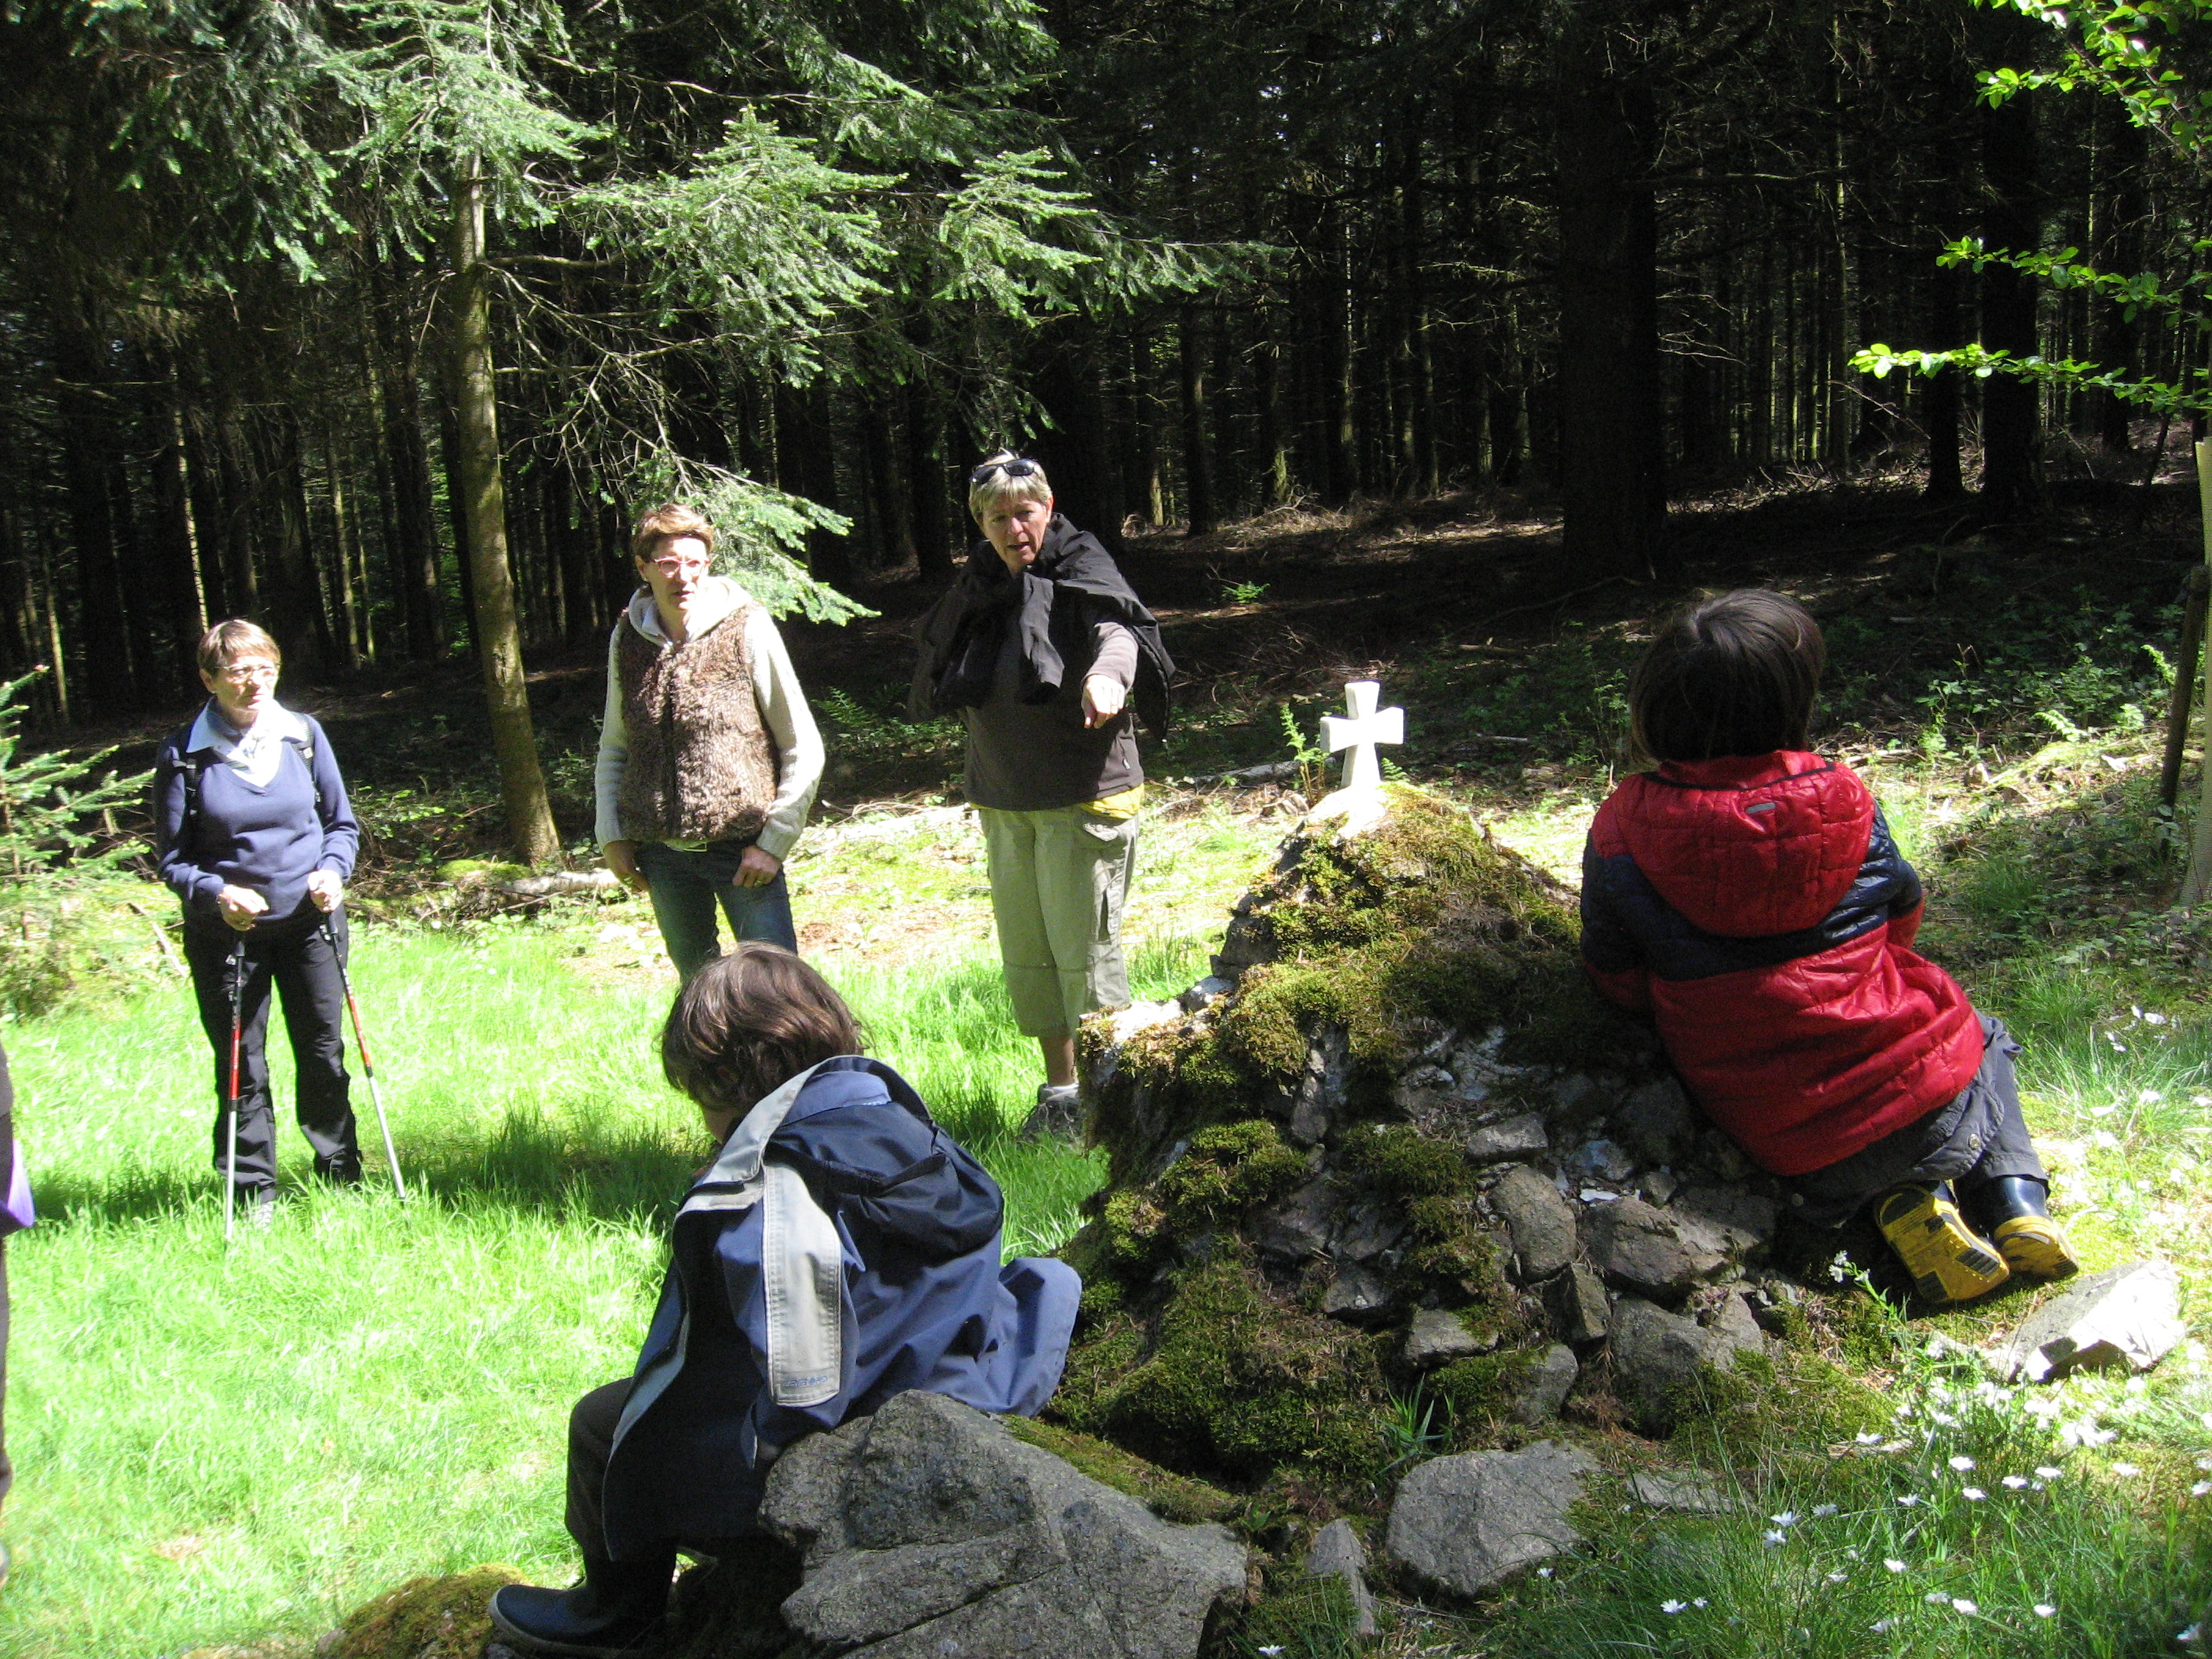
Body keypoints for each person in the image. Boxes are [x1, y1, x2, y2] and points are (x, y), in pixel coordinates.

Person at [489, 943, 1079, 1657]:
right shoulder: (889, 1114)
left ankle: (616, 1616)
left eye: (701, 1099)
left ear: (725, 1079)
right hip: (953, 1365)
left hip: (852, 1421)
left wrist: (767, 1472)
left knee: (602, 1424)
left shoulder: (779, 1189)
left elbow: (803, 1382)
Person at [1578, 589, 2078, 1304]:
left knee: (1871, 1141)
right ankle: (2015, 1203)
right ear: (1795, 703)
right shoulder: (1843, 796)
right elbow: (1902, 908)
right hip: (1923, 1096)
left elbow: (1615, 972)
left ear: (1654, 704)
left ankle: (1906, 1205)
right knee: (1984, 1035)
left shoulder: (1622, 826)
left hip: (1783, 1132)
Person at [911, 455, 1173, 1123]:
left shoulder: (1079, 567)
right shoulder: (980, 585)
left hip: (1082, 797)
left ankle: (1109, 1103)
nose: (1014, 529)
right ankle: (1062, 1096)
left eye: (1024, 513)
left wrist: (1107, 677)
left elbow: (1118, 631)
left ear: (1048, 508)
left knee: (1084, 956)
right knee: (1030, 959)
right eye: (997, 518)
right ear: (981, 524)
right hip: (1004, 800)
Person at [154, 621, 363, 1223]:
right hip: (227, 936)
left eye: (265, 669)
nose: (254, 682)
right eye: (239, 671)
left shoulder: (304, 735)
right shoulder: (184, 754)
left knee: (322, 1052)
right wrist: (217, 893)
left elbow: (341, 826)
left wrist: (332, 871)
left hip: (311, 924)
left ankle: (341, 1173)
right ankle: (252, 1193)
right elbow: (173, 862)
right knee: (241, 1063)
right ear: (209, 679)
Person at [595, 503, 825, 980]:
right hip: (662, 856)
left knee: (777, 985)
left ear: (708, 565)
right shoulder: (627, 639)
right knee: (697, 988)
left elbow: (802, 743)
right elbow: (616, 746)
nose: (684, 577)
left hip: (743, 851)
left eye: (694, 563)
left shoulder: (746, 626)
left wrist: (774, 842)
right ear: (643, 568)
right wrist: (611, 834)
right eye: (668, 564)